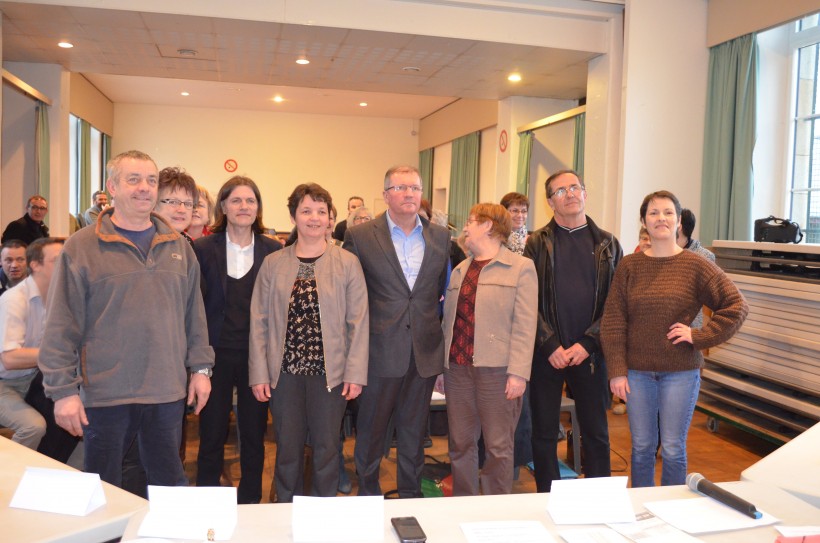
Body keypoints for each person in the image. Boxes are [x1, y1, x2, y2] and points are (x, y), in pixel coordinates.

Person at [39, 150, 214, 489]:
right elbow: (60, 326)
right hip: (105, 394)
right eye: (133, 179)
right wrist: (62, 391)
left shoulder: (179, 246)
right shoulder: (81, 247)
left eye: (151, 180)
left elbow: (194, 317)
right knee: (106, 489)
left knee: (168, 484)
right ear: (112, 187)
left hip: (165, 392)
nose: (144, 188)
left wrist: (201, 370)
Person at [601, 190, 748, 487]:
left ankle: (671, 511)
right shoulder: (630, 265)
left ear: (679, 221)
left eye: (668, 212)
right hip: (638, 372)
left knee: (672, 448)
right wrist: (616, 371)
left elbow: (736, 306)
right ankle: (641, 511)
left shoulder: (695, 265)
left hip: (681, 372)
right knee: (642, 448)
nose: (661, 218)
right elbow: (614, 321)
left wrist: (699, 336)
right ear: (644, 221)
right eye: (653, 213)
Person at [250, 183, 368, 502]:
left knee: (328, 449)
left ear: (331, 218)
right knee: (287, 449)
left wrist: (355, 374)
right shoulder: (274, 264)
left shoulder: (347, 263)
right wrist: (259, 373)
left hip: (330, 376)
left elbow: (358, 323)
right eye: (306, 211)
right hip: (283, 374)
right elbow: (259, 322)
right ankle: (285, 510)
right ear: (293, 217)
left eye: (321, 211)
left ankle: (323, 516)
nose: (314, 218)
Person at [344, 165, 450, 498]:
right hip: (378, 350)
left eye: (415, 188)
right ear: (386, 194)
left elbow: (436, 290)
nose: (408, 194)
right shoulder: (361, 236)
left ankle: (410, 493)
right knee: (372, 431)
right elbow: (351, 293)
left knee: (413, 431)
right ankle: (369, 494)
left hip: (423, 351)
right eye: (401, 188)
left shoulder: (440, 236)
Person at [524, 169, 622, 492]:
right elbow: (526, 301)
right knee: (543, 431)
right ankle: (548, 497)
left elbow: (615, 303)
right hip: (546, 353)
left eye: (575, 187)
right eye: (561, 191)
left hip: (589, 354)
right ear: (550, 201)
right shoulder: (536, 244)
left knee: (596, 432)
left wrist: (589, 342)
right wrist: (549, 342)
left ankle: (598, 497)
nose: (570, 194)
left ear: (585, 193)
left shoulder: (608, 244)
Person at [438, 203, 537, 495]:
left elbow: (525, 324)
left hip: (498, 371)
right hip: (457, 369)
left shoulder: (521, 268)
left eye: (471, 221)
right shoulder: (459, 270)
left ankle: (495, 508)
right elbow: (448, 324)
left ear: (490, 226)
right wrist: (442, 368)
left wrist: (518, 373)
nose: (466, 227)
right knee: (460, 443)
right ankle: (465, 503)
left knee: (498, 446)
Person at [194, 176, 281, 504]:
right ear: (224, 207)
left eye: (250, 201)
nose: (243, 206)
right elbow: (195, 306)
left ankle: (249, 504)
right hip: (214, 357)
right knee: (211, 434)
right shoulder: (203, 248)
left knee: (254, 437)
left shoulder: (273, 250)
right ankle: (207, 504)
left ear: (258, 207)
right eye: (236, 200)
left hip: (255, 358)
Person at [0, 238, 63, 450]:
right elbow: (9, 358)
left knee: (79, 417)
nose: (67, 264)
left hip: (33, 380)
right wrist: (57, 352)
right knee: (33, 427)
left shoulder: (58, 297)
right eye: (58, 260)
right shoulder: (14, 299)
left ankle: (62, 474)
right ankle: (11, 478)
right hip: (4, 383)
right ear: (35, 265)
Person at [154, 167, 197, 245]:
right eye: (173, 202)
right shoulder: (144, 242)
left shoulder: (188, 243)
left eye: (188, 204)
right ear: (153, 204)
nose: (182, 210)